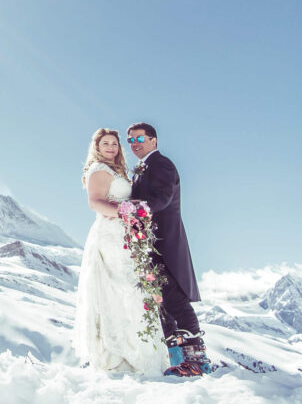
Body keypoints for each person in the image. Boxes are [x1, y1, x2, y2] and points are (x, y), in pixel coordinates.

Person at [73, 128, 169, 373]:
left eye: (115, 144)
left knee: (133, 288)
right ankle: (119, 357)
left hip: (125, 236)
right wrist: (125, 211)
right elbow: (95, 202)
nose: (111, 148)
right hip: (110, 235)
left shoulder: (118, 171)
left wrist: (132, 210)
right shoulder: (98, 170)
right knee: (118, 288)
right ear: (97, 147)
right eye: (105, 143)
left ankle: (142, 353)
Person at [127, 122, 213, 376]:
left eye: (139, 138)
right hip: (148, 245)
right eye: (130, 140)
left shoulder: (161, 164)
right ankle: (177, 358)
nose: (134, 143)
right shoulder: (141, 169)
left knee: (175, 297)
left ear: (154, 141)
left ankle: (198, 360)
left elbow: (162, 197)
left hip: (164, 242)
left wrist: (135, 211)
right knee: (161, 301)